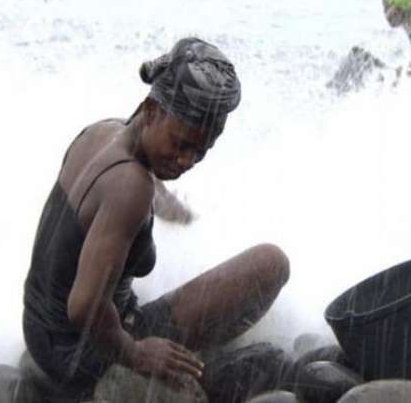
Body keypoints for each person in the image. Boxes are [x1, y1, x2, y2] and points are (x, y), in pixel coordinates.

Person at [22, 37, 290, 400]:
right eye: (181, 145)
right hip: (78, 352)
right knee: (270, 264)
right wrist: (136, 353)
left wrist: (170, 206)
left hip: (39, 329)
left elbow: (133, 183)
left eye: (202, 150)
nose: (187, 160)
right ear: (152, 110)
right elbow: (84, 304)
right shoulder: (130, 189)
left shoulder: (102, 132)